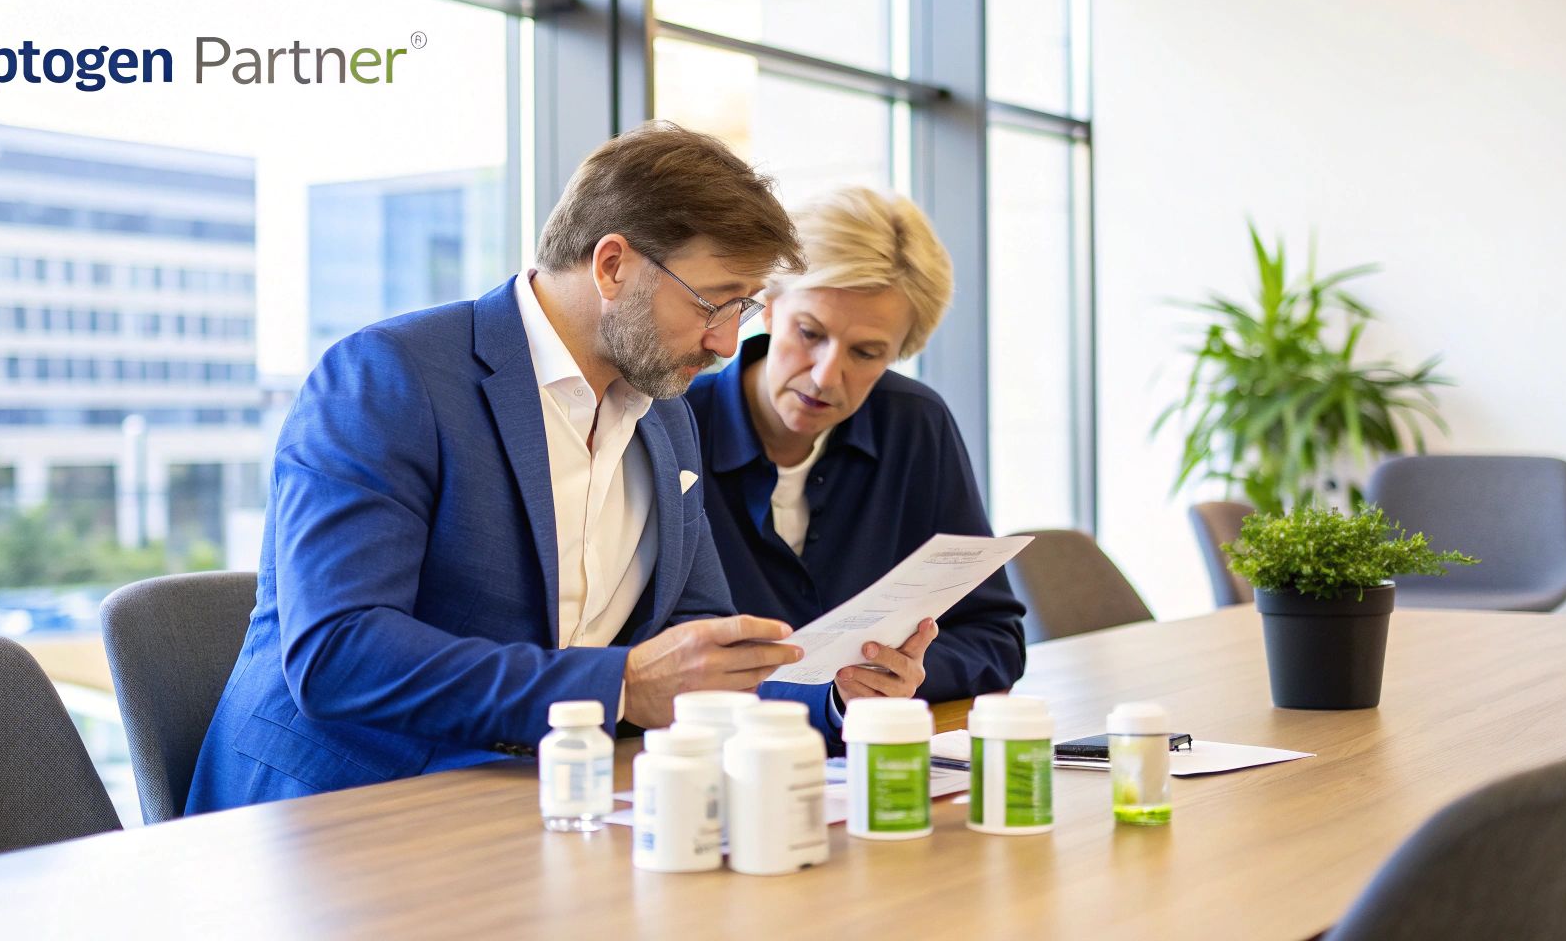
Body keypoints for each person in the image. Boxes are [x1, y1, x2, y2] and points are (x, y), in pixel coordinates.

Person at [188, 123, 809, 813]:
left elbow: (697, 646)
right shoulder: (388, 377)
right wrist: (618, 685)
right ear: (612, 266)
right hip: (338, 813)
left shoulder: (664, 413)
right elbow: (340, 652)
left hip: (545, 804)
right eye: (711, 302)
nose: (725, 341)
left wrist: (839, 698)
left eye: (741, 308)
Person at [683, 186, 1025, 732]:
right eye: (809, 333)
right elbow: (659, 658)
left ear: (899, 353)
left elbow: (993, 635)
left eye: (866, 353)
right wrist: (827, 698)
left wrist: (903, 674)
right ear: (769, 306)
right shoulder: (671, 427)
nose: (825, 375)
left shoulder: (915, 425)